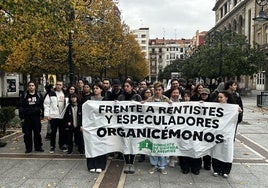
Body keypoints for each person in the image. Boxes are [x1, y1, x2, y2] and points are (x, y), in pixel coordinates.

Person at [212, 90, 242, 178]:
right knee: (216, 151)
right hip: (217, 133)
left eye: (221, 97)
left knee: (227, 151)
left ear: (226, 98)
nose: (219, 99)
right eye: (218, 97)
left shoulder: (232, 108)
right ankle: (216, 169)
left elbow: (238, 120)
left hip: (228, 133)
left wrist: (239, 113)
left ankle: (226, 170)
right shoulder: (214, 106)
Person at [118, 80, 142, 174]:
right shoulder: (120, 97)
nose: (125, 87)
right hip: (124, 124)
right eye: (125, 86)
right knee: (125, 143)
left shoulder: (137, 97)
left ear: (132, 87)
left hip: (134, 125)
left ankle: (131, 163)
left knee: (133, 143)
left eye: (128, 86)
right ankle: (126, 162)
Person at [147, 82, 171, 175]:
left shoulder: (166, 100)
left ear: (162, 90)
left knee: (163, 145)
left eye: (159, 90)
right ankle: (154, 165)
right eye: (156, 89)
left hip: (163, 127)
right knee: (153, 145)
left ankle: (162, 166)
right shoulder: (149, 100)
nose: (157, 91)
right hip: (153, 127)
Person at [178, 90, 202, 175]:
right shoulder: (178, 105)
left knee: (195, 148)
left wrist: (203, 105)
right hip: (182, 131)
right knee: (183, 148)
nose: (186, 98)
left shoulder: (195, 105)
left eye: (188, 96)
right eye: (184, 96)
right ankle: (185, 167)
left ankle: (195, 168)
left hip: (193, 131)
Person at [86, 83, 107, 173]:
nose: (95, 90)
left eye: (97, 88)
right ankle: (91, 164)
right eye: (94, 88)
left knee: (101, 144)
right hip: (91, 125)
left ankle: (100, 164)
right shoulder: (88, 100)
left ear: (101, 90)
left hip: (101, 125)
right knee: (91, 144)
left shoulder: (105, 100)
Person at [19, 81, 44, 153]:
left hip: (36, 117)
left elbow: (42, 105)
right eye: (30, 85)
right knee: (27, 134)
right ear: (28, 87)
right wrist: (22, 116)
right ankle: (28, 148)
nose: (31, 87)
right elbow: (21, 106)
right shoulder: (24, 95)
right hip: (27, 118)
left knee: (37, 133)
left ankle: (38, 147)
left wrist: (42, 115)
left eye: (32, 85)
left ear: (35, 86)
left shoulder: (38, 95)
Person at [44, 80, 68, 154]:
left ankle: (62, 145)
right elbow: (46, 104)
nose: (58, 86)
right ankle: (52, 146)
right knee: (53, 132)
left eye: (60, 85)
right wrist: (47, 115)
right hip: (53, 116)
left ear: (62, 86)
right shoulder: (51, 94)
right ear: (55, 85)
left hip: (62, 116)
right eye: (57, 84)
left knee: (62, 132)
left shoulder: (65, 94)